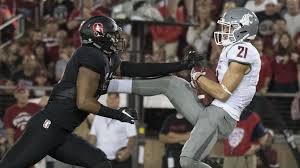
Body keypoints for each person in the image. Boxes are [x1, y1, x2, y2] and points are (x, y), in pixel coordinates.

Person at [0, 15, 200, 168]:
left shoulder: (107, 58)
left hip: (61, 132)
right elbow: (84, 102)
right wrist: (118, 114)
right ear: (99, 35)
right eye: (112, 34)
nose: (116, 38)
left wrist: (179, 65)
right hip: (47, 128)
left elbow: (137, 69)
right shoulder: (90, 56)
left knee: (100, 163)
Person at [108, 7, 261, 168]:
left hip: (221, 116)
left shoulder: (244, 51)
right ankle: (110, 84)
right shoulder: (232, 49)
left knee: (188, 161)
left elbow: (222, 93)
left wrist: (197, 77)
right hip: (212, 109)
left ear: (242, 30)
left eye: (228, 27)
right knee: (169, 83)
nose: (223, 30)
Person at [89, 93, 137, 168]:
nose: (112, 101)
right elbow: (93, 136)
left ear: (118, 100)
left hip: (120, 160)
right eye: (110, 98)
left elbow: (132, 137)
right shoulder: (99, 116)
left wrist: (127, 151)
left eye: (114, 98)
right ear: (107, 100)